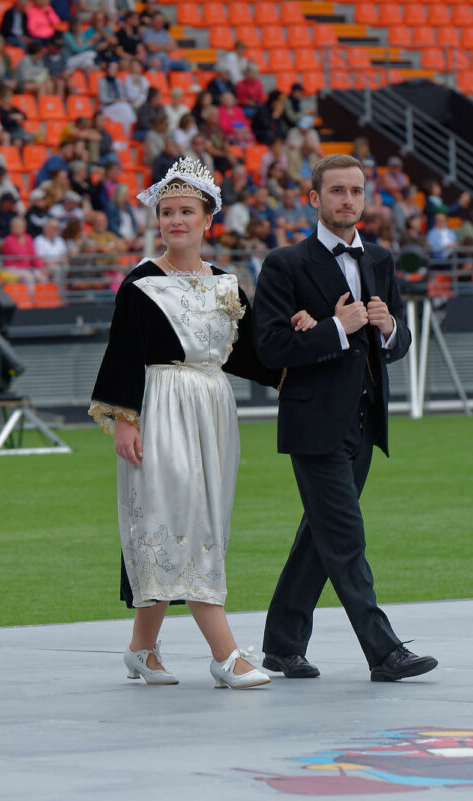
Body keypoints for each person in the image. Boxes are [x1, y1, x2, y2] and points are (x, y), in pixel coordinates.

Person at [89, 157, 302, 689]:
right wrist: (123, 420)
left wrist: (303, 334)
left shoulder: (227, 286)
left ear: (209, 219)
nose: (175, 220)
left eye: (186, 211)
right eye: (166, 211)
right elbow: (123, 353)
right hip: (160, 404)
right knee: (175, 520)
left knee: (202, 518)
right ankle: (224, 653)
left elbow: (252, 354)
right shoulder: (141, 282)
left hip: (212, 406)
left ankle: (142, 649)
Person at [253, 154, 438, 683]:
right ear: (313, 199)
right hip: (314, 426)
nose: (347, 200)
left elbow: (394, 346)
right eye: (336, 191)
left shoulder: (380, 260)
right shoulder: (285, 263)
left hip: (364, 425)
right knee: (345, 538)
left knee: (321, 536)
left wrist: (386, 330)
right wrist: (334, 328)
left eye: (355, 191)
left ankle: (282, 645)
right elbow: (268, 347)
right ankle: (384, 652)